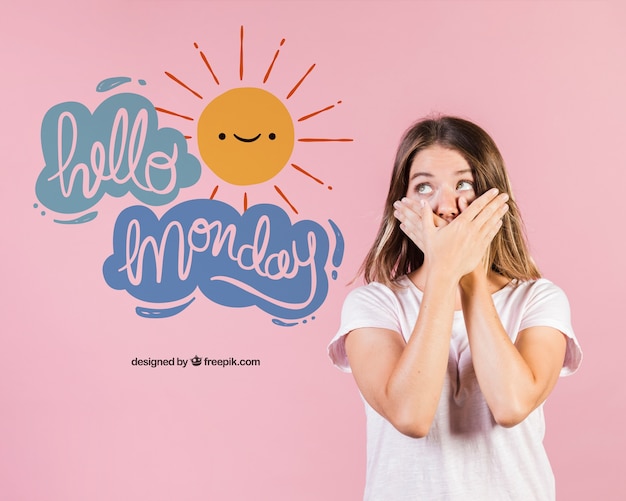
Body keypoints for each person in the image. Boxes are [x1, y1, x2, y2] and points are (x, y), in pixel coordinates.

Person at [328, 116, 582, 500]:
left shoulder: (539, 300)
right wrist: (444, 275)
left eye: (464, 184)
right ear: (403, 205)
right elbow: (411, 416)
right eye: (424, 186)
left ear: (495, 197)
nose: (446, 206)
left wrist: (469, 275)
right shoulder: (373, 306)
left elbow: (512, 405)